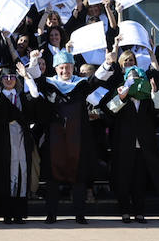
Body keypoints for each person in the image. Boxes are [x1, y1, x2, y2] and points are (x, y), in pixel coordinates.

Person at [23, 49, 104, 224]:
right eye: (61, 68)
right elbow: (37, 78)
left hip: (77, 138)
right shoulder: (50, 84)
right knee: (53, 176)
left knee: (79, 175)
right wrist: (33, 60)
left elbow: (97, 79)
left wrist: (108, 63)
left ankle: (80, 214)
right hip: (55, 137)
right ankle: (51, 213)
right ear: (55, 69)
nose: (64, 71)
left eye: (67, 68)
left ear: (73, 68)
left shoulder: (82, 85)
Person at [100, 63, 159, 223]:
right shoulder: (120, 95)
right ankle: (124, 210)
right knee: (123, 179)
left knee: (140, 181)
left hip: (143, 147)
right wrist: (121, 98)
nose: (135, 83)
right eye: (131, 80)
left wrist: (155, 93)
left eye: (137, 79)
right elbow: (109, 112)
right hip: (124, 146)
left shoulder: (148, 100)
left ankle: (139, 211)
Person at [0, 65, 34, 225]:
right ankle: (7, 213)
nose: (9, 80)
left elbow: (35, 97)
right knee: (6, 174)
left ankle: (19, 213)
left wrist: (27, 77)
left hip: (21, 139)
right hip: (3, 141)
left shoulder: (21, 97)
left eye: (12, 77)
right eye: (5, 77)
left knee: (22, 171)